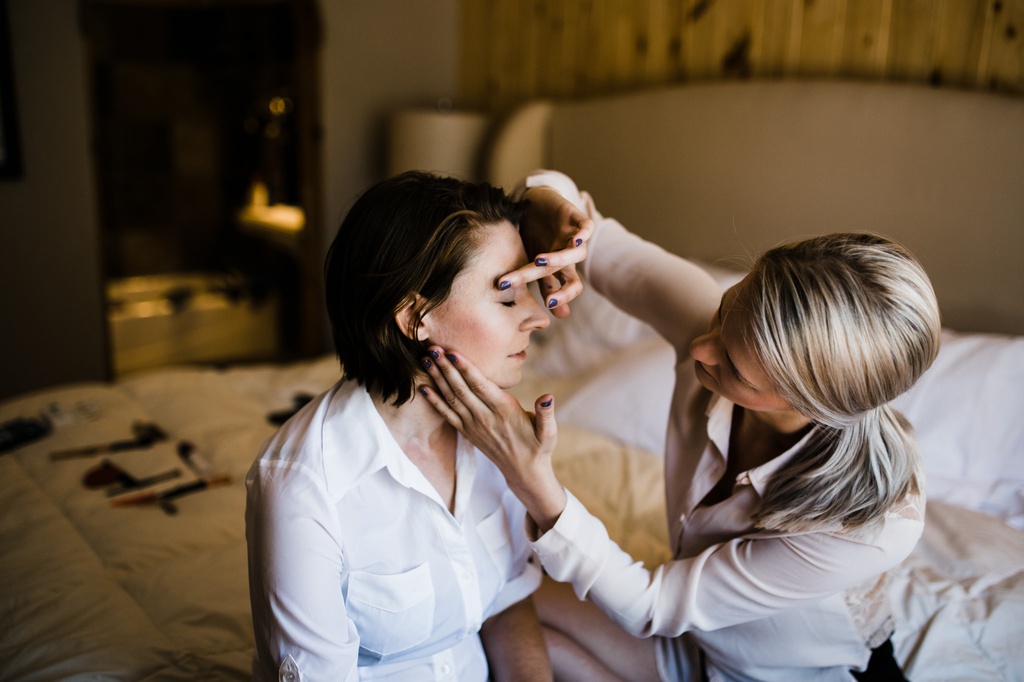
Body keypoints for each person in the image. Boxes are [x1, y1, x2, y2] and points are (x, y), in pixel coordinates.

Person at [419, 170, 941, 681]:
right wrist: (546, 207)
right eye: (724, 310)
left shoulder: (870, 529)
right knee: (491, 602)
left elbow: (655, 604)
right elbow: (582, 221)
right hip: (685, 644)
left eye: (734, 368)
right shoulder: (709, 330)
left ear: (813, 402)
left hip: (782, 672)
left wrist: (532, 478)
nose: (698, 348)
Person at [245, 170, 582, 681]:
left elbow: (506, 604)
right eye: (509, 297)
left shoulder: (494, 437)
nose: (538, 317)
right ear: (414, 317)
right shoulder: (304, 486)